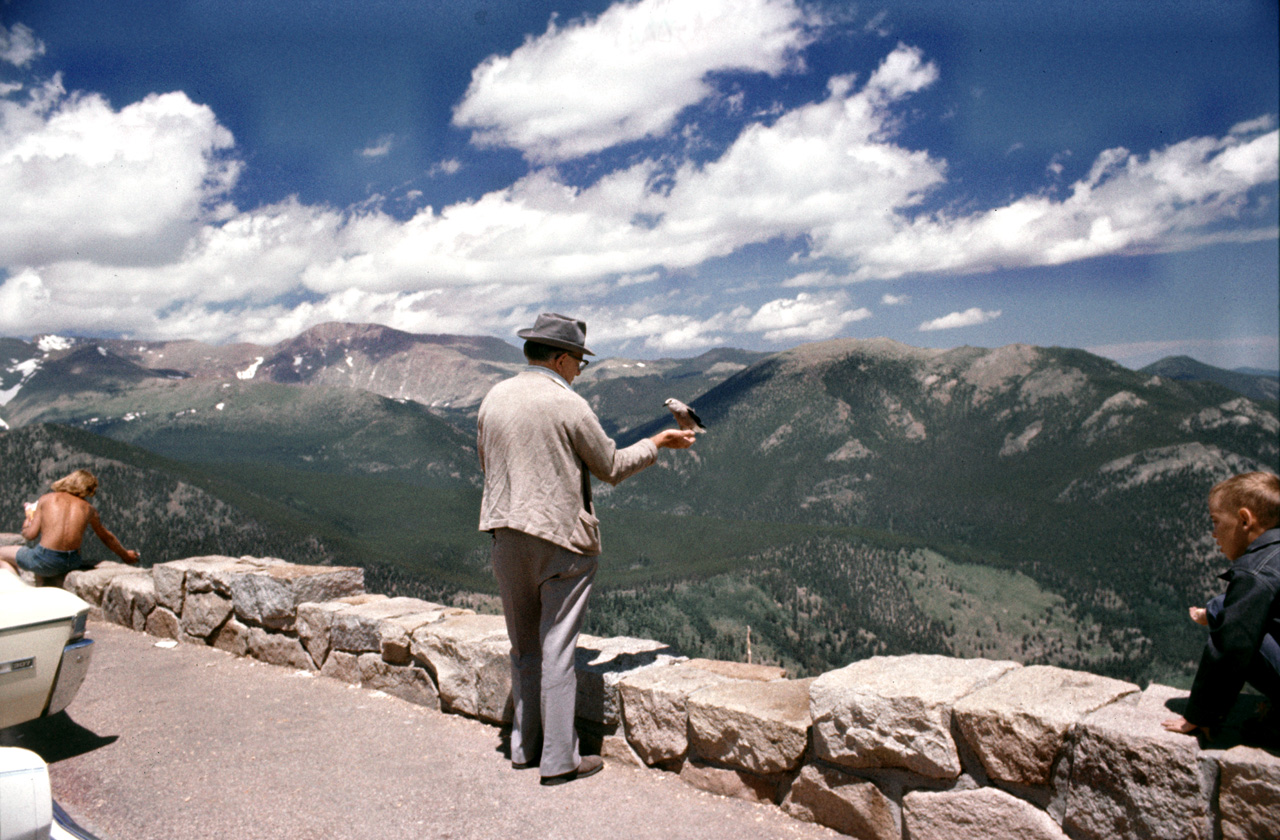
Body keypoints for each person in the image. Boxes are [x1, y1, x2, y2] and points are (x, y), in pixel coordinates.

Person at [477, 313, 695, 786]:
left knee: (524, 648)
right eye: (578, 361)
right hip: (562, 543)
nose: (579, 369)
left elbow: (485, 461)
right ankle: (559, 761)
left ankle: (523, 747)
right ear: (560, 358)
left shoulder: (494, 397)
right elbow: (612, 466)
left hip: (504, 535)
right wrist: (658, 442)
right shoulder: (568, 404)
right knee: (557, 648)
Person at [1162, 471, 1280, 741]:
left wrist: (1201, 714)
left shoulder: (1256, 573)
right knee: (1228, 607)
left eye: (1216, 522)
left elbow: (1232, 646)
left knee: (1231, 618)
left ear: (1244, 520)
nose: (1214, 534)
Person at [0, 469, 141, 585]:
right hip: (72, 562)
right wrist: (126, 555)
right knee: (43, 562)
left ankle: (18, 588)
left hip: (46, 560)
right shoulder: (88, 509)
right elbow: (107, 537)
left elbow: (30, 535)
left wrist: (29, 517)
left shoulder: (48, 499)